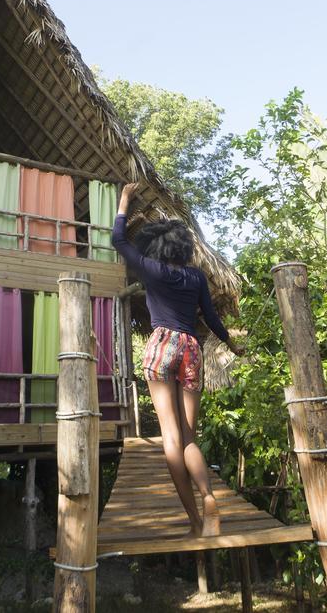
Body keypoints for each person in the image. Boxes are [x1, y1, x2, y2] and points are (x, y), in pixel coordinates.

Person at [112, 182, 243, 537]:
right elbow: (212, 319)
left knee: (169, 437)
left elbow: (119, 241)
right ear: (184, 248)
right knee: (188, 437)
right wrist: (232, 345)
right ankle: (209, 497)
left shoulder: (152, 271)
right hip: (190, 350)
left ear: (155, 246)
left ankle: (194, 521)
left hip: (161, 347)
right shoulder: (197, 277)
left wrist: (124, 200)